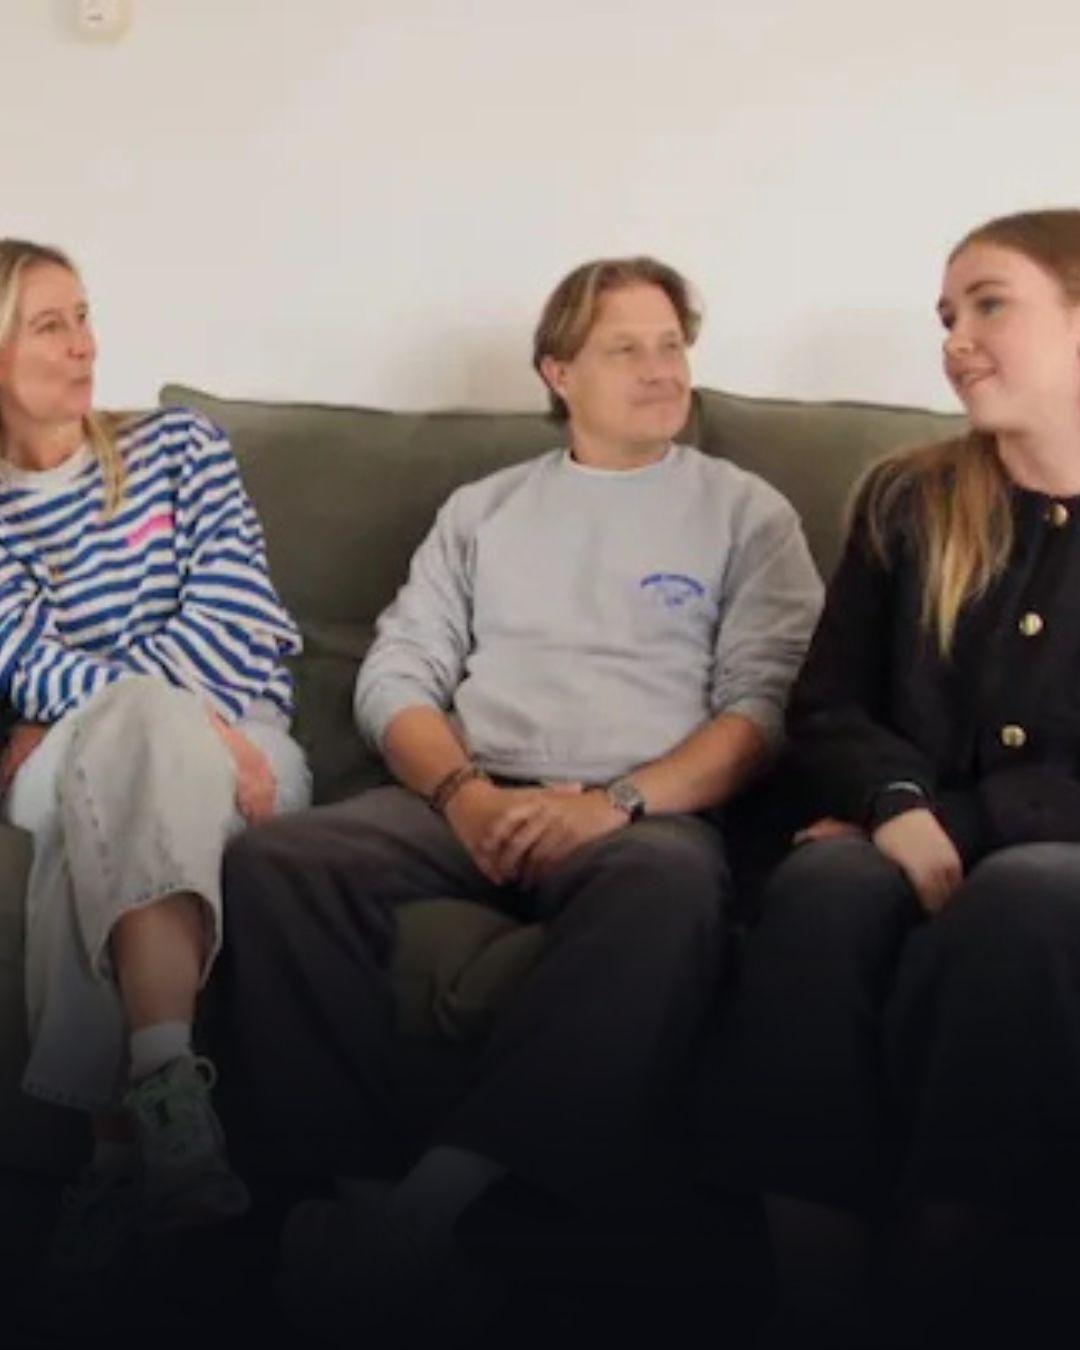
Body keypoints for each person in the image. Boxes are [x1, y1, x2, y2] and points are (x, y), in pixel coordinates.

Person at [216, 255, 823, 1341]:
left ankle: (436, 1205)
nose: (662, 369)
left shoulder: (746, 512)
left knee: (670, 892)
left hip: (644, 811)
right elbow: (395, 677)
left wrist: (619, 802)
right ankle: (356, 1193)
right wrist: (462, 793)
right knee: (277, 862)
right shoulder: (486, 510)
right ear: (558, 372)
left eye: (672, 345)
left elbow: (765, 709)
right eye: (626, 349)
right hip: (472, 790)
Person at [696, 207, 1080, 1348]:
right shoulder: (907, 500)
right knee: (822, 891)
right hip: (888, 830)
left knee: (1027, 900)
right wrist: (893, 805)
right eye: (947, 316)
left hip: (1044, 860)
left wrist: (945, 821)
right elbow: (829, 705)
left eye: (989, 305)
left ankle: (932, 1298)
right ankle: (817, 1300)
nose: (956, 339)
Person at [0, 239, 310, 1272]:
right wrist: (170, 718)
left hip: (243, 744)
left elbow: (236, 619)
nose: (85, 345)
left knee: (93, 807)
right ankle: (168, 1087)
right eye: (51, 325)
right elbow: (22, 665)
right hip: (140, 747)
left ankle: (115, 1158)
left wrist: (173, 723)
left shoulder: (183, 449)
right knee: (120, 756)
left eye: (84, 316)